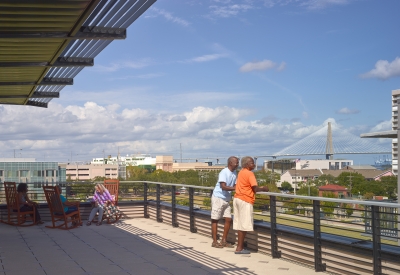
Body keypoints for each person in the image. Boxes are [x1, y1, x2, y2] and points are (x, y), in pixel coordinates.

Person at [233, 156, 269, 254]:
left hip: (237, 199)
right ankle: (239, 248)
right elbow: (255, 189)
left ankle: (239, 246)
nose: (254, 165)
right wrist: (264, 188)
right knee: (244, 225)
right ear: (247, 164)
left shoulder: (241, 172)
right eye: (252, 163)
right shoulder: (250, 173)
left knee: (240, 224)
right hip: (245, 200)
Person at [211, 156, 239, 248]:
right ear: (230, 163)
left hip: (226, 199)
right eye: (236, 162)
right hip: (218, 198)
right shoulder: (224, 172)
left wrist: (237, 187)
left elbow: (235, 184)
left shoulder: (234, 172)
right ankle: (214, 241)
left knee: (228, 219)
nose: (238, 164)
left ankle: (224, 241)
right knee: (215, 219)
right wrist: (235, 188)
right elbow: (223, 186)